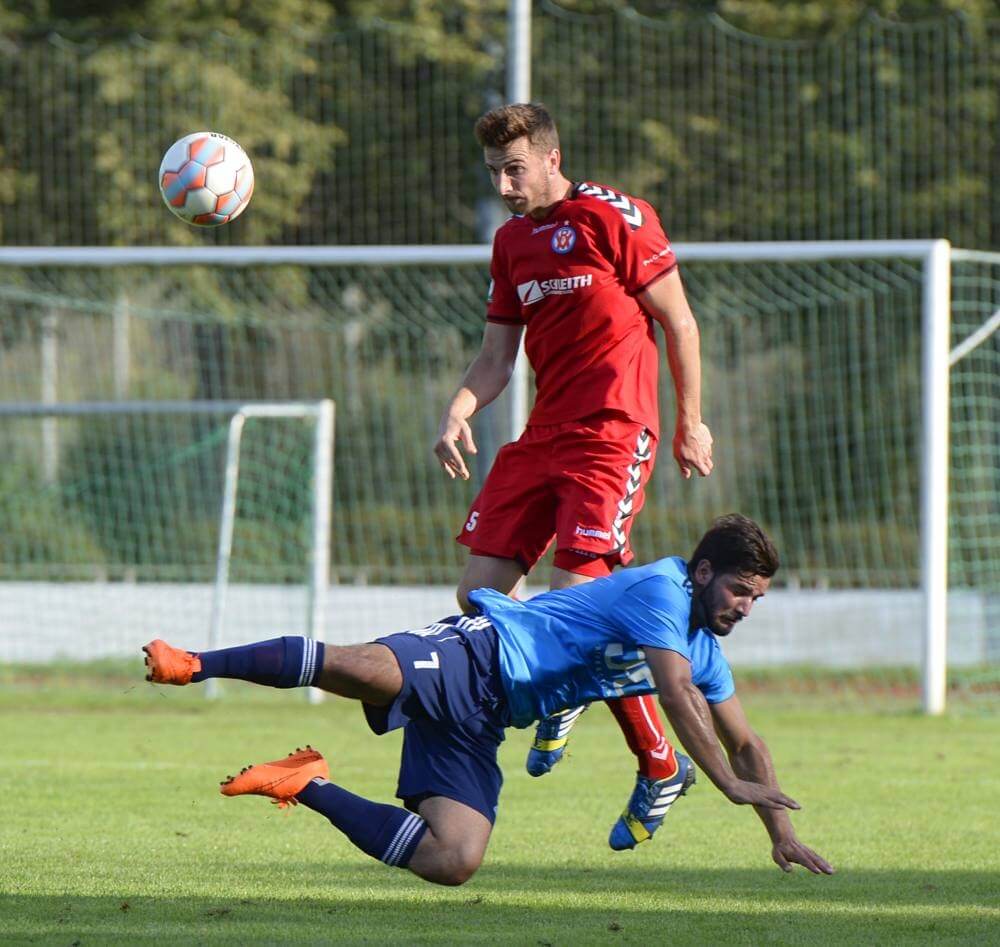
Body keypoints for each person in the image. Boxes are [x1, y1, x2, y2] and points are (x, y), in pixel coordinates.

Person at [143, 514, 833, 887]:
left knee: (454, 858)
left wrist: (780, 830)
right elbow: (677, 693)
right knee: (359, 668)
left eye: (757, 598)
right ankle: (195, 663)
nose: (745, 607)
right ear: (704, 572)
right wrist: (726, 784)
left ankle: (307, 780)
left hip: (488, 713)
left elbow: (748, 741)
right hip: (480, 648)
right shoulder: (663, 589)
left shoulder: (704, 650)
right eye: (740, 591)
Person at [433, 102, 714, 850]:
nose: (504, 182)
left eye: (514, 168)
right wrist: (459, 408)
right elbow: (496, 357)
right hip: (543, 437)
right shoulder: (510, 242)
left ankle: (659, 763)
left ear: (551, 158)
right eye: (494, 171)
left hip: (614, 433)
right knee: (477, 593)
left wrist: (690, 419)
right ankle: (565, 691)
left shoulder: (613, 216)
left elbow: (679, 322)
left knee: (575, 604)